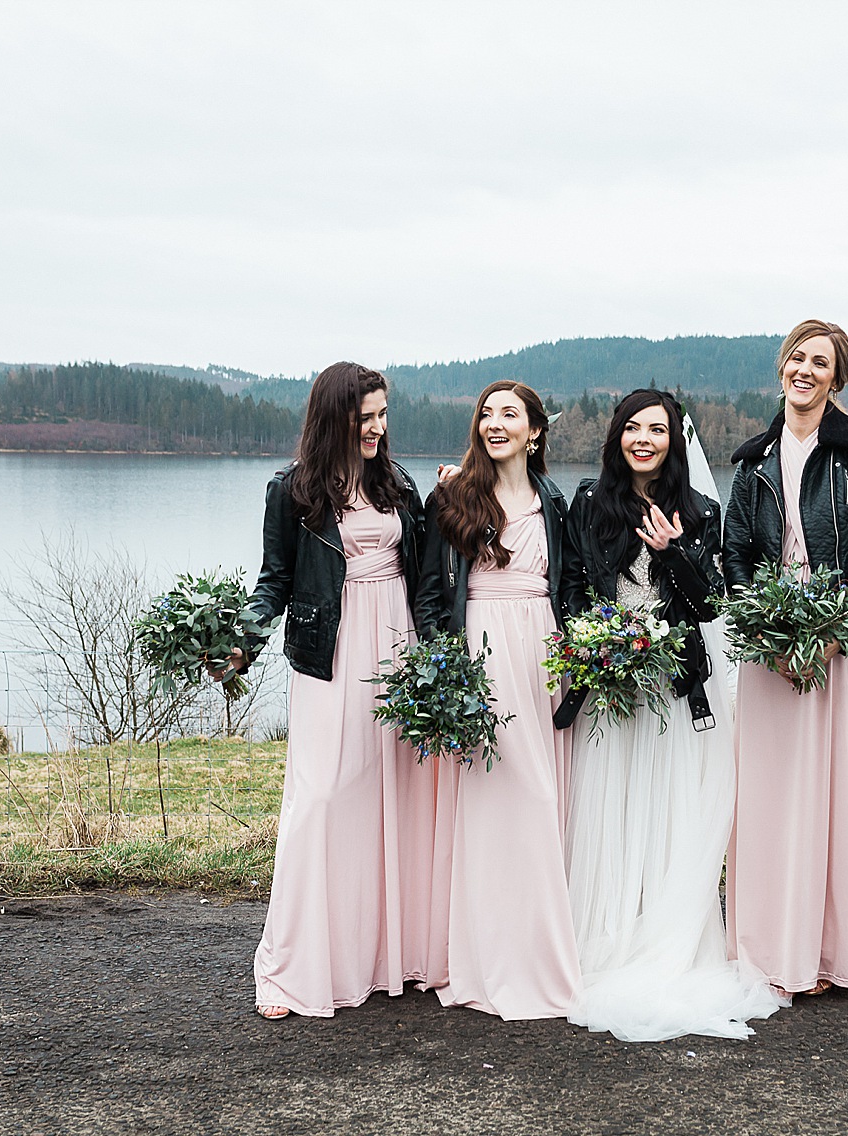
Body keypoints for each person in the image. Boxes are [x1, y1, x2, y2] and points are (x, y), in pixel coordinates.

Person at [561, 389, 787, 1041]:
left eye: (655, 430)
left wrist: (673, 553)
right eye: (631, 428)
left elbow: (710, 606)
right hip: (613, 679)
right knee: (612, 808)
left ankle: (666, 941)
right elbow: (573, 585)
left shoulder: (701, 510)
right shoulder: (587, 503)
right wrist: (599, 640)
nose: (643, 439)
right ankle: (606, 935)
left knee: (669, 811)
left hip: (674, 683)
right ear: (616, 437)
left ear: (673, 441)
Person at [224, 361, 438, 1020]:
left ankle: (381, 957)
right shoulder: (292, 492)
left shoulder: (398, 484)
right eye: (364, 417)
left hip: (397, 644)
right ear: (333, 418)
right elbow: (274, 581)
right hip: (332, 654)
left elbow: (427, 570)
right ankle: (295, 967)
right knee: (322, 797)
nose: (376, 428)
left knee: (389, 797)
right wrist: (241, 641)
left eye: (382, 416)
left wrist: (439, 654)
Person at [722, 320, 848, 997]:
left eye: (819, 362)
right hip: (770, 646)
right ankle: (768, 951)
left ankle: (828, 956)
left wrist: (832, 632)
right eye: (797, 357)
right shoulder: (753, 461)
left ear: (837, 378)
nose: (805, 369)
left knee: (833, 793)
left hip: (843, 642)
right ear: (781, 368)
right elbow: (736, 554)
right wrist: (768, 633)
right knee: (770, 795)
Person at [416, 380, 584, 1020]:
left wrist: (579, 663)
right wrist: (447, 672)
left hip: (541, 655)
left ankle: (542, 961)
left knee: (541, 803)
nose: (494, 423)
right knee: (491, 808)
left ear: (535, 431)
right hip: (481, 657)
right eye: (486, 414)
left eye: (509, 415)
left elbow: (568, 586)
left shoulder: (553, 501)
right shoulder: (454, 497)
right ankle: (486, 964)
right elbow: (431, 594)